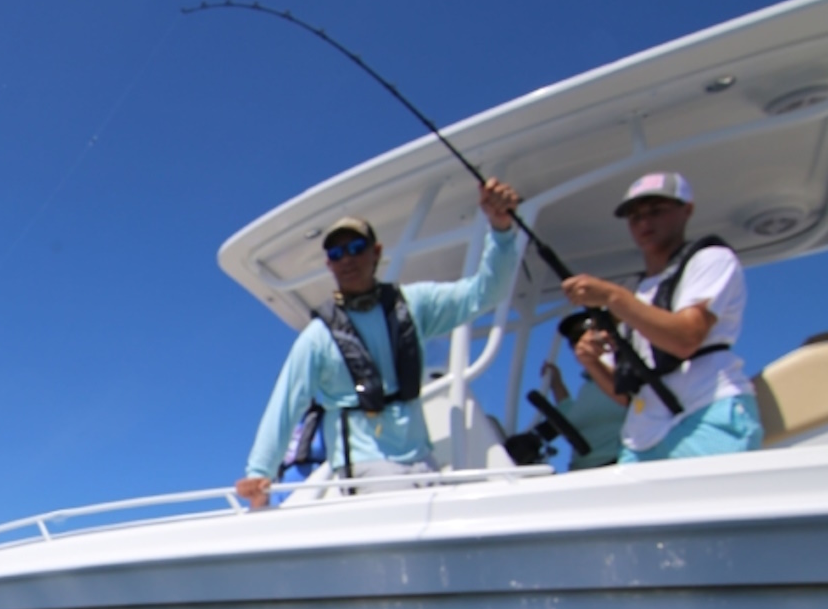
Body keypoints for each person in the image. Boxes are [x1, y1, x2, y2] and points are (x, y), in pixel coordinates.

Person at [235, 178, 522, 507]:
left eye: (356, 248)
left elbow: (485, 294)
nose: (347, 259)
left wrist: (501, 231)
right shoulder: (317, 338)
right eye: (336, 253)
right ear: (329, 264)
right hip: (367, 469)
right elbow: (287, 403)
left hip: (423, 461)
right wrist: (259, 472)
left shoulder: (415, 304)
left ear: (376, 252)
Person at [561, 172, 762, 463]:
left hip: (706, 415)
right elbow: (627, 395)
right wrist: (591, 362)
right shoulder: (635, 293)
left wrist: (613, 297)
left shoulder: (712, 259)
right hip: (641, 438)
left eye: (656, 211)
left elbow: (686, 338)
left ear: (687, 210)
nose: (644, 222)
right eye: (635, 217)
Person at [539, 310, 627, 471]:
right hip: (581, 474)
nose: (580, 342)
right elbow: (567, 411)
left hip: (623, 468)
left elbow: (627, 395)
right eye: (574, 339)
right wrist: (556, 382)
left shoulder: (628, 374)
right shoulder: (587, 387)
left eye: (587, 331)